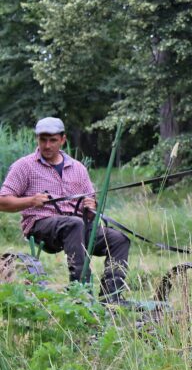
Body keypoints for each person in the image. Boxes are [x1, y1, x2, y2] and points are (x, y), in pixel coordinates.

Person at [0, 117, 130, 301]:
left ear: (63, 140)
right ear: (37, 139)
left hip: (77, 226)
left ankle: (112, 297)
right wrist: (31, 200)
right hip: (41, 226)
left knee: (119, 239)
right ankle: (81, 293)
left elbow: (91, 208)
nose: (47, 145)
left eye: (53, 140)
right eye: (43, 139)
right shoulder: (24, 166)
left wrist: (91, 207)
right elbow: (3, 201)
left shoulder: (78, 168)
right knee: (74, 224)